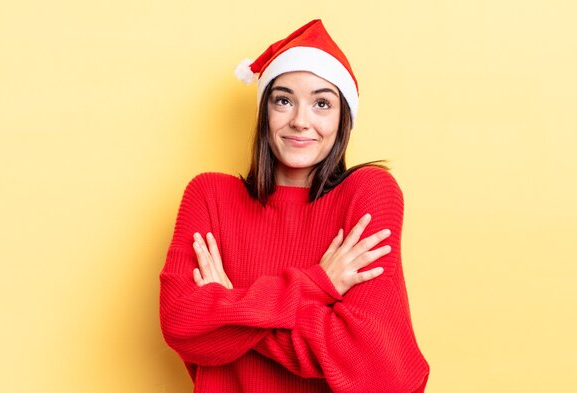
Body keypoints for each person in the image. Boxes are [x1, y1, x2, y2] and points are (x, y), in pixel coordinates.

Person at [159, 19, 430, 392]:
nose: (301, 121)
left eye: (322, 103)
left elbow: (375, 370)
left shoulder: (368, 193)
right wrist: (318, 284)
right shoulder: (210, 196)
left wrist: (232, 307)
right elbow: (181, 324)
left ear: (343, 119)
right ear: (265, 113)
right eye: (283, 100)